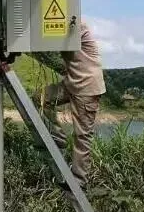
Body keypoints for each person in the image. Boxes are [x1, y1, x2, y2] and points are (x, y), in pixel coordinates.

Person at [43, 19, 105, 189]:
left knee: (82, 135)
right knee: (40, 98)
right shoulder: (60, 23)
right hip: (71, 83)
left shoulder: (77, 25)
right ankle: (59, 138)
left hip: (87, 87)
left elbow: (52, 40)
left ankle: (79, 180)